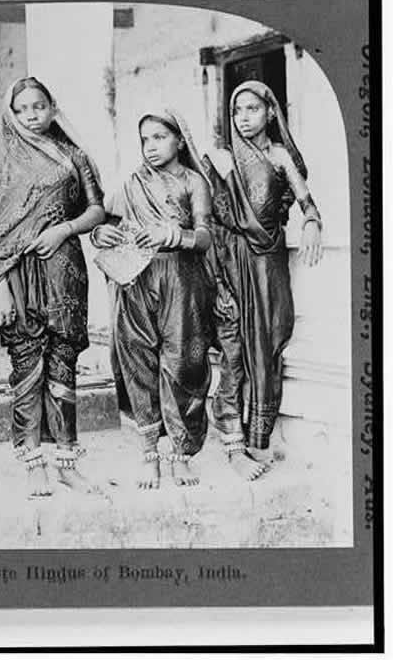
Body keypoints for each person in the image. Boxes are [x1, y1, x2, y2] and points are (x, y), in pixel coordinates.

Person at [0, 77, 105, 499]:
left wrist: (63, 230)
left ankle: (67, 462)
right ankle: (33, 463)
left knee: (63, 365)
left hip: (64, 269)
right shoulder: (6, 165)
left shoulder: (75, 156)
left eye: (39, 106)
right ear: (11, 115)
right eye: (23, 109)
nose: (32, 115)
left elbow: (97, 209)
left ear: (53, 106)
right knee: (27, 367)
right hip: (19, 277)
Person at [204, 80, 323, 481]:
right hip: (232, 261)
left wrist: (311, 223)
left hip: (269, 263)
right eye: (238, 111)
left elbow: (307, 202)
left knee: (270, 341)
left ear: (271, 111)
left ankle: (259, 438)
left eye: (253, 109)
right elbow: (210, 219)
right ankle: (235, 445)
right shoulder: (222, 159)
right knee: (235, 349)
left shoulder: (280, 157)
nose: (244, 118)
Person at [91, 108, 215, 490]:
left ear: (180, 140)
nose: (151, 147)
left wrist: (173, 235)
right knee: (137, 360)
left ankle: (180, 453)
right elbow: (104, 223)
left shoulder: (194, 182)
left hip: (181, 278)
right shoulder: (131, 184)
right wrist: (101, 236)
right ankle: (149, 454)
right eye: (145, 139)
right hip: (135, 280)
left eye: (160, 137)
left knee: (183, 363)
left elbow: (206, 236)